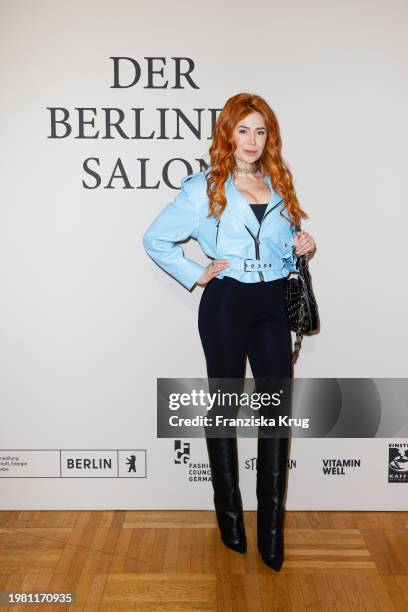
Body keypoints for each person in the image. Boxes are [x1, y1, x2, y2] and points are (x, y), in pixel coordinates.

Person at [143, 93, 316, 571]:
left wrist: (303, 243)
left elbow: (284, 251)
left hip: (272, 303)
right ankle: (232, 525)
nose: (252, 141)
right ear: (227, 134)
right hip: (226, 302)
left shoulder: (278, 183)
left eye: (261, 131)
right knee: (223, 408)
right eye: (243, 130)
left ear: (269, 137)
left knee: (276, 412)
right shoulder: (205, 187)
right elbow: (154, 238)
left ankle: (273, 535)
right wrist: (195, 272)